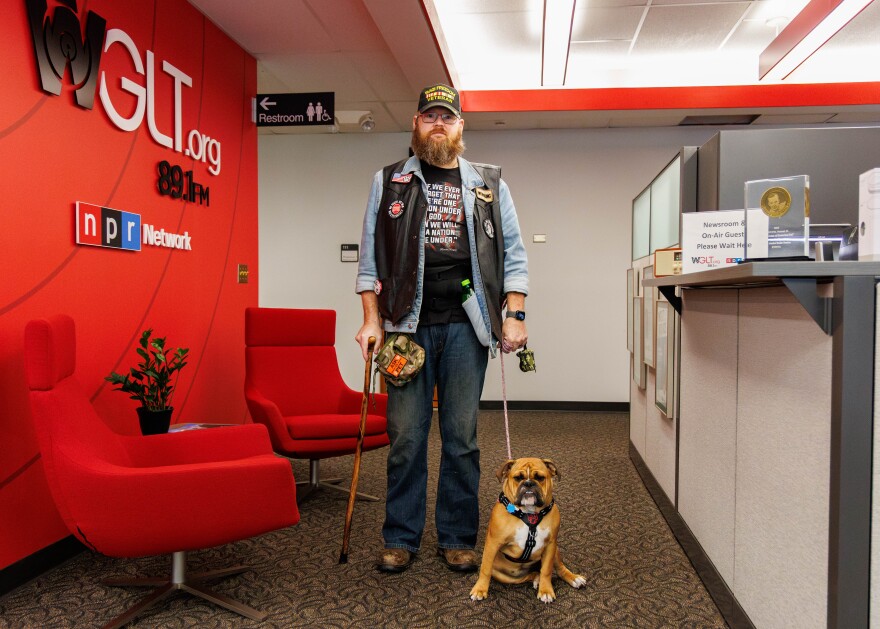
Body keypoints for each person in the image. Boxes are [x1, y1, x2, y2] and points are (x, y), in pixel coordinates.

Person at [355, 83, 529, 573]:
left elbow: (513, 254)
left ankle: (456, 535)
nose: (438, 124)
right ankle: (401, 537)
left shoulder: (489, 183)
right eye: (429, 116)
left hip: (465, 326)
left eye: (447, 118)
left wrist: (513, 314)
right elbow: (370, 258)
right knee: (406, 436)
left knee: (461, 438)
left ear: (460, 127)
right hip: (405, 328)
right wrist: (371, 319)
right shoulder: (388, 181)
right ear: (415, 124)